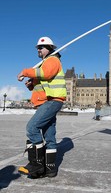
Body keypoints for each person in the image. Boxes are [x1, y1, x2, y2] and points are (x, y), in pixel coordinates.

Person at [17, 36, 67, 178]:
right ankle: (50, 169)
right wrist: (31, 85)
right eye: (37, 47)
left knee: (32, 128)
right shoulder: (44, 63)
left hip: (52, 101)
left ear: (49, 48)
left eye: (41, 47)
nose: (38, 49)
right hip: (46, 101)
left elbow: (46, 74)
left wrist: (25, 72)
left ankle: (36, 164)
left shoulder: (52, 60)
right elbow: (43, 83)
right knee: (49, 136)